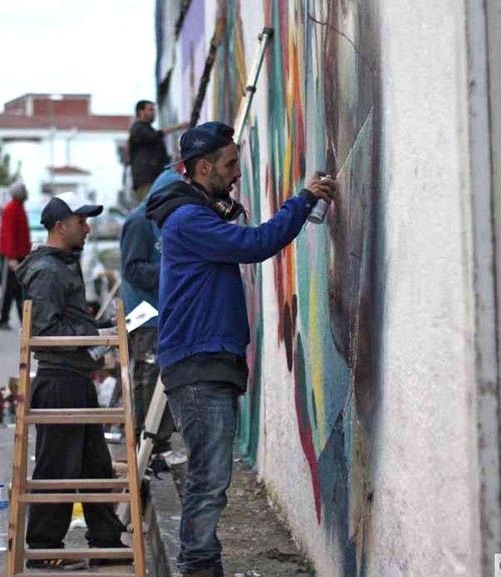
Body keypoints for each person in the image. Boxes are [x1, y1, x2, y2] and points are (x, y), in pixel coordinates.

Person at [145, 121, 336, 577]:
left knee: (211, 475)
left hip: (205, 360)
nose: (236, 174)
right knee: (210, 478)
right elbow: (256, 244)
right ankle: (198, 565)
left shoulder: (197, 213)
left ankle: (200, 561)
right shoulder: (190, 220)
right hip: (198, 364)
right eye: (229, 165)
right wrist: (304, 198)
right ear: (204, 166)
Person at [16, 192, 127, 571]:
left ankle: (105, 541)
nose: (88, 227)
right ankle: (45, 545)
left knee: (95, 464)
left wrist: (103, 330)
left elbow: (68, 323)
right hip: (60, 379)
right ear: (61, 226)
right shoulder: (48, 271)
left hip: (75, 376)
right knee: (58, 467)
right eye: (82, 221)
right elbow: (45, 330)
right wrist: (93, 335)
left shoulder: (63, 264)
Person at [120, 168, 180, 464]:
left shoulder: (164, 221)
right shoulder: (139, 222)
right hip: (145, 314)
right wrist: (171, 274)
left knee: (163, 374)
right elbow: (132, 268)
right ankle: (146, 438)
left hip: (162, 310)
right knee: (148, 374)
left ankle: (158, 438)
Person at [128, 100, 188, 202]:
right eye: (150, 110)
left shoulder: (148, 129)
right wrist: (178, 127)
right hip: (146, 181)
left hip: (155, 179)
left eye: (154, 110)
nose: (154, 113)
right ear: (141, 112)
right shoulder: (137, 129)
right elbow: (153, 136)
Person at [0, 182, 31, 330]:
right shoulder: (11, 209)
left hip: (20, 255)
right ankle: (4, 319)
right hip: (12, 256)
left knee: (18, 288)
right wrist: (11, 257)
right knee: (10, 289)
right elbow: (9, 234)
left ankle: (22, 320)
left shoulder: (19, 208)